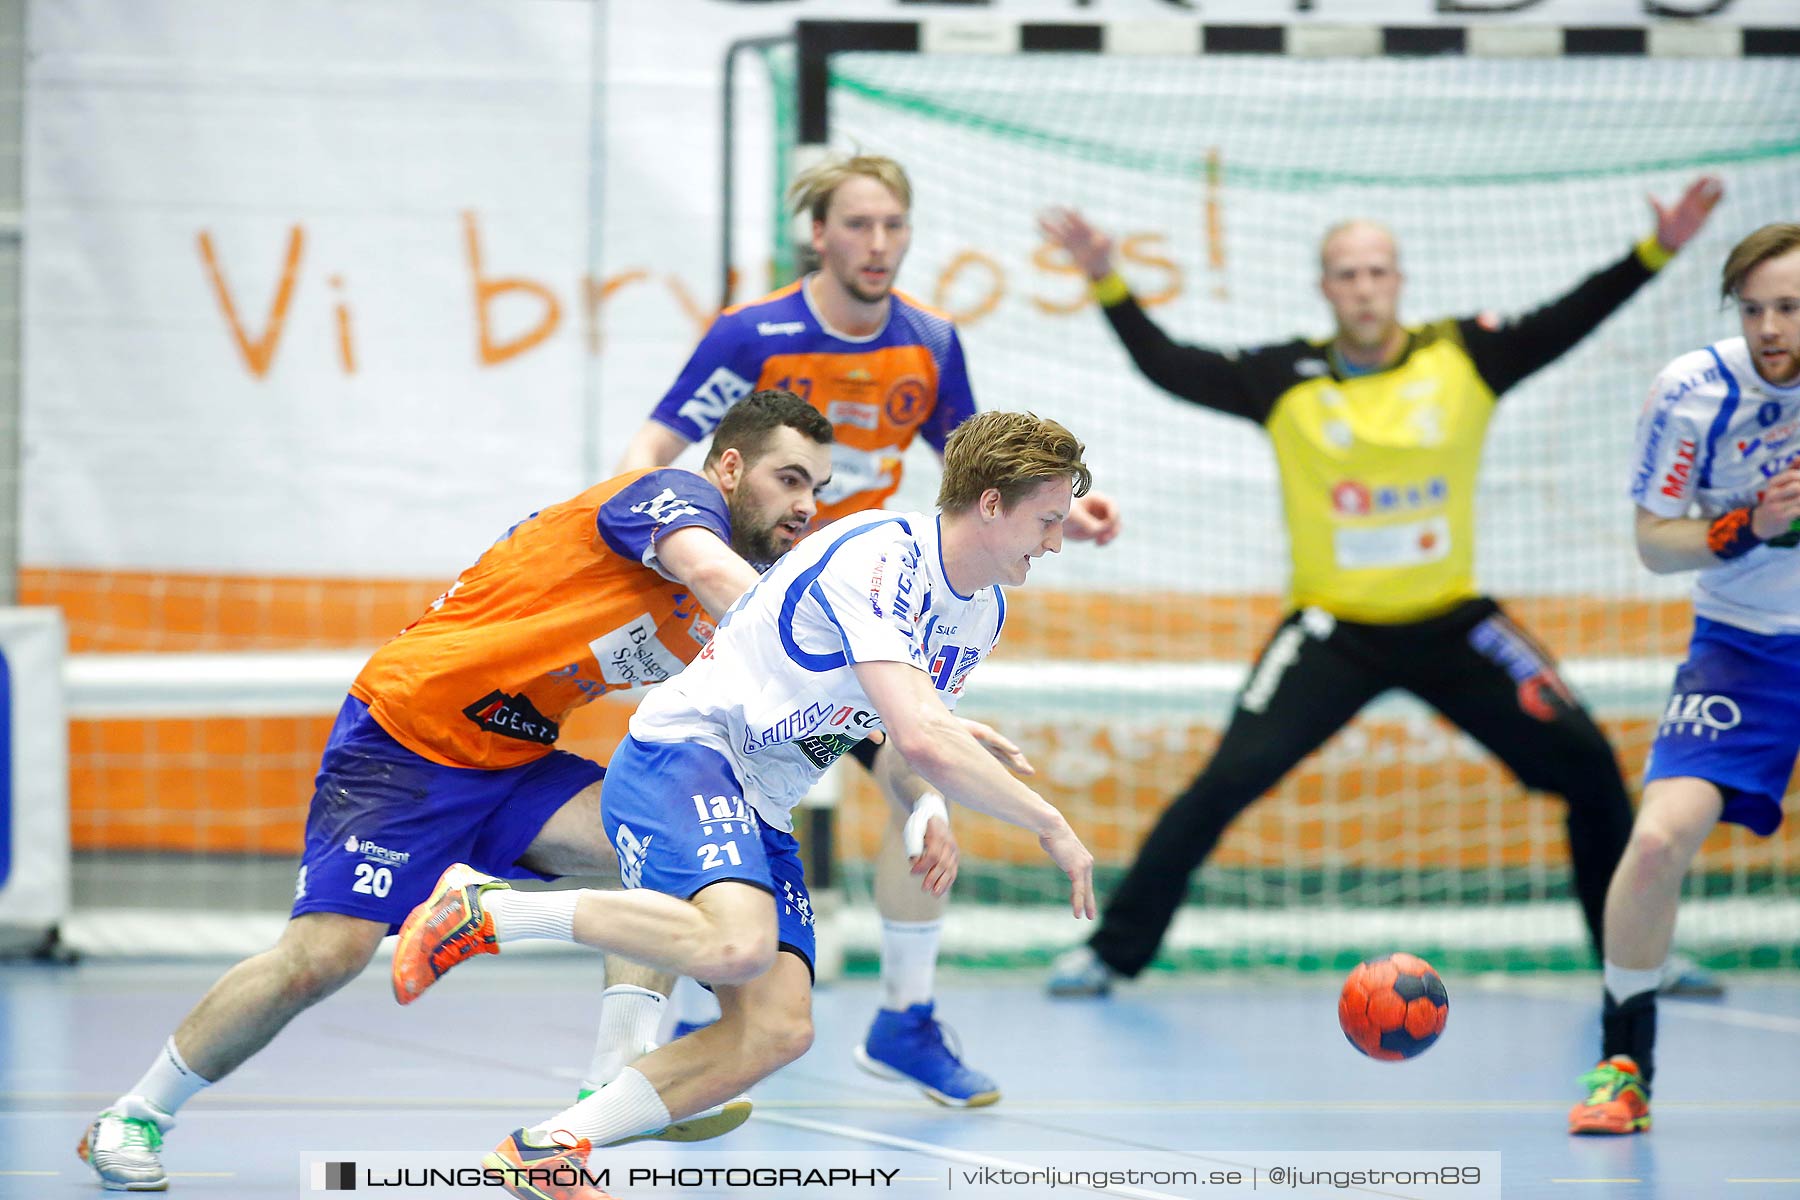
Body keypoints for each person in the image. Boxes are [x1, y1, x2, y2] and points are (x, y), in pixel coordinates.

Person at [77, 390, 835, 1192]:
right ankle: (134, 1114)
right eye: (789, 480)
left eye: (817, 489)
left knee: (651, 853)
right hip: (407, 741)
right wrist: (816, 640)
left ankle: (611, 1077)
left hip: (512, 757)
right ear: (728, 466)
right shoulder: (672, 502)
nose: (805, 505)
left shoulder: (756, 589)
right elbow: (712, 574)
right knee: (321, 958)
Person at [1038, 176, 1726, 1000]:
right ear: (1325, 288)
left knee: (1585, 762)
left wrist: (1657, 250)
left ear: (1398, 282)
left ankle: (1633, 958)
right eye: (1346, 273)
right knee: (1226, 778)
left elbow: (1571, 317)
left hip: (1454, 626)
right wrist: (1109, 283)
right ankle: (1112, 955)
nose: (1363, 287)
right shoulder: (1282, 377)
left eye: (1377, 272)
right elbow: (1169, 366)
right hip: (1334, 633)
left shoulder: (1465, 356)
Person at [392, 410, 1098, 1200]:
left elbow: (906, 740)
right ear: (992, 504)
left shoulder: (981, 611)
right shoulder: (877, 556)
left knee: (780, 1028)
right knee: (736, 945)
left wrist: (927, 803)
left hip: (760, 797)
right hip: (688, 753)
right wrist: (1051, 824)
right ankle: (487, 910)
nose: (1056, 541)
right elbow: (926, 732)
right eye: (1048, 519)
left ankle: (550, 1148)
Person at [604, 152, 1120, 1109]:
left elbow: (978, 472)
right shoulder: (754, 334)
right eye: (858, 225)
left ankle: (904, 1022)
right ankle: (642, 1050)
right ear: (819, 234)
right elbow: (652, 449)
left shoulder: (927, 342)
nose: (878, 244)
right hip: (769, 614)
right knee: (688, 817)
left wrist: (1061, 513)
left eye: (894, 226)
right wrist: (673, 541)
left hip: (880, 624)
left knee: (927, 788)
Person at [1568, 223, 1800, 1136]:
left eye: (1789, 308)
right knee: (1658, 842)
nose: (1769, 327)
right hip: (1742, 645)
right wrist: (1744, 524)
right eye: (1753, 309)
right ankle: (1625, 1064)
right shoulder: (1694, 392)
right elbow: (1652, 544)